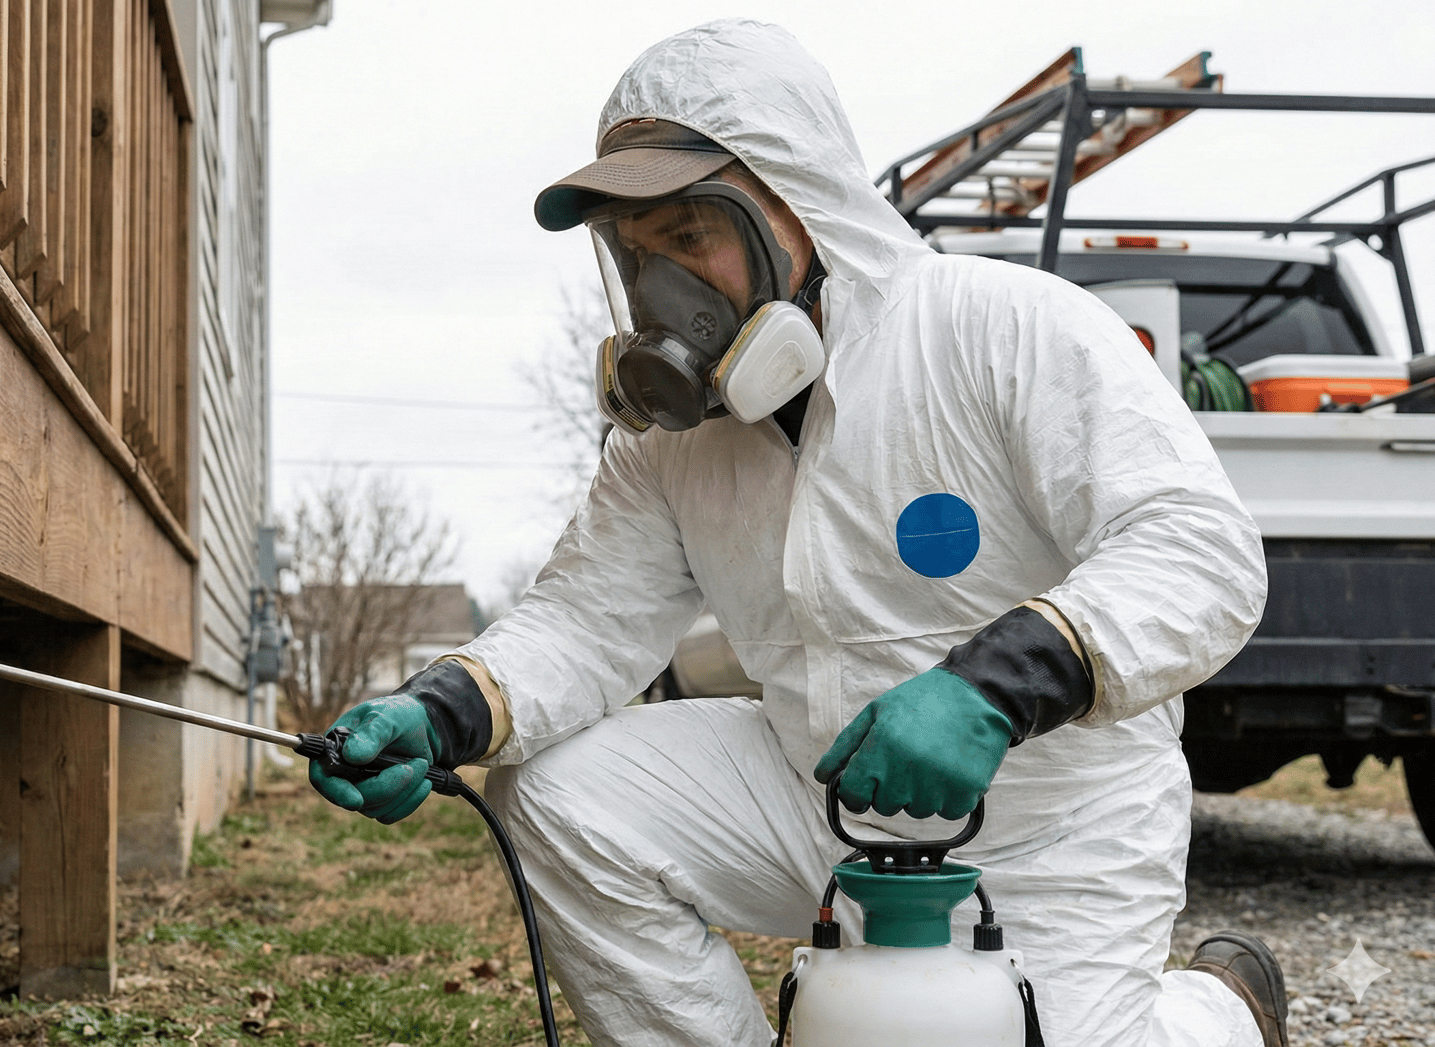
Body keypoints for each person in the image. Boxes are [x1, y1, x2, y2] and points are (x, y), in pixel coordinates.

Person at [309, 19, 1286, 1047]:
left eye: (689, 238)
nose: (660, 295)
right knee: (556, 789)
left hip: (1055, 828)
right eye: (634, 257)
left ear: (803, 204)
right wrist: (449, 704)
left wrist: (996, 685)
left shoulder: (1003, 329)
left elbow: (1197, 551)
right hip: (811, 795)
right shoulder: (675, 444)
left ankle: (1218, 1014)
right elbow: (587, 620)